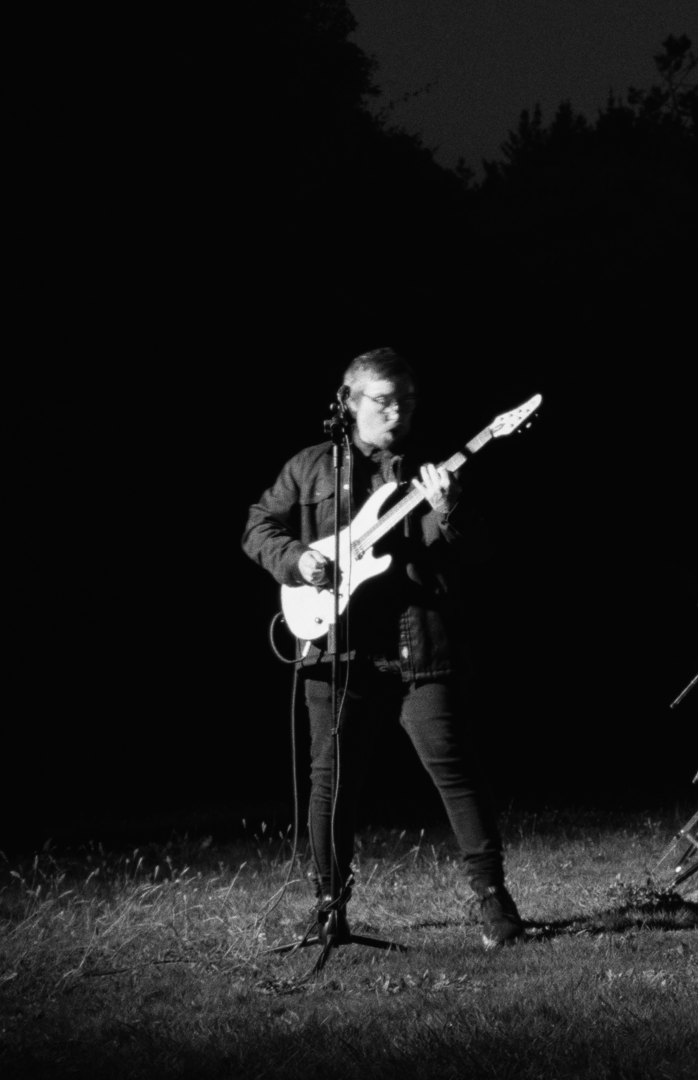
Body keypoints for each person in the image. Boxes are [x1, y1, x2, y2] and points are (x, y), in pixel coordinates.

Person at [242, 348, 524, 949]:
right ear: (348, 400)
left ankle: (494, 901)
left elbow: (479, 552)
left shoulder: (431, 470)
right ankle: (329, 909)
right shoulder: (310, 467)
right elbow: (257, 527)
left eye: (408, 403)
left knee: (456, 772)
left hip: (419, 647)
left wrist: (449, 507)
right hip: (338, 651)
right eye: (385, 401)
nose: (399, 413)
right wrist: (297, 560)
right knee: (331, 782)